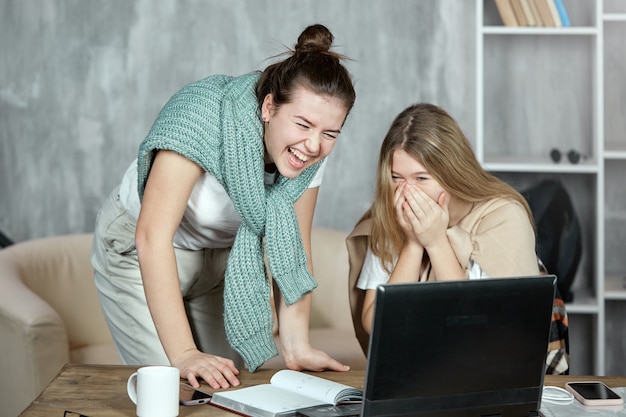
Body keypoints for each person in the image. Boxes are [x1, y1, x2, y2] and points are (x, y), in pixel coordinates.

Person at [91, 23, 356, 391]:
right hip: (137, 253)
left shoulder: (308, 151)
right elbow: (152, 237)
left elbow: (294, 248)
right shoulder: (202, 116)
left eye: (330, 134)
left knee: (228, 389)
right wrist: (184, 353)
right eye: (303, 124)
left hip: (219, 262)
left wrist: (297, 345)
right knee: (171, 389)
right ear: (268, 107)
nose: (313, 145)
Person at [347, 102, 540, 342]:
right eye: (397, 178)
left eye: (421, 178)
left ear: (452, 173)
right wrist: (413, 244)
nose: (408, 192)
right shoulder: (391, 217)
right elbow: (379, 325)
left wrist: (437, 242)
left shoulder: (504, 217)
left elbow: (475, 326)